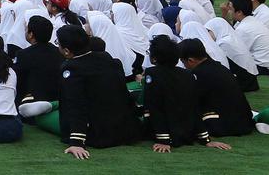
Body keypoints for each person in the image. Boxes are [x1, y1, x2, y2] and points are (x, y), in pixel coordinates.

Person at [55, 25, 141, 159]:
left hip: (97, 133)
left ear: (67, 51)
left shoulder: (71, 68)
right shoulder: (109, 59)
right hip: (125, 130)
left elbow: (76, 103)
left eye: (58, 43)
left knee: (44, 118)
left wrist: (77, 141)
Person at [142, 36, 231, 153]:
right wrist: (205, 138)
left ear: (154, 58)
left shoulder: (152, 74)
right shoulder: (187, 74)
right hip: (188, 132)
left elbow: (154, 107)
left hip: (167, 133)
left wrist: (163, 139)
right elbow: (194, 106)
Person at [179, 38, 256, 138]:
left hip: (224, 126)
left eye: (182, 61)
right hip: (245, 121)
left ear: (190, 60)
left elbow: (191, 103)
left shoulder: (199, 74)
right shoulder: (219, 67)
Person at [14, 15, 63, 117]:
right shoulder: (58, 52)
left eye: (27, 29)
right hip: (56, 101)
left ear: (31, 34)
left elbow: (18, 80)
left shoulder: (24, 55)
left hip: (31, 102)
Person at [230, 0, 269, 72]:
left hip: (261, 67)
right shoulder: (252, 21)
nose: (228, 11)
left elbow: (237, 53)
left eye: (230, 9)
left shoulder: (244, 28)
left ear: (239, 12)